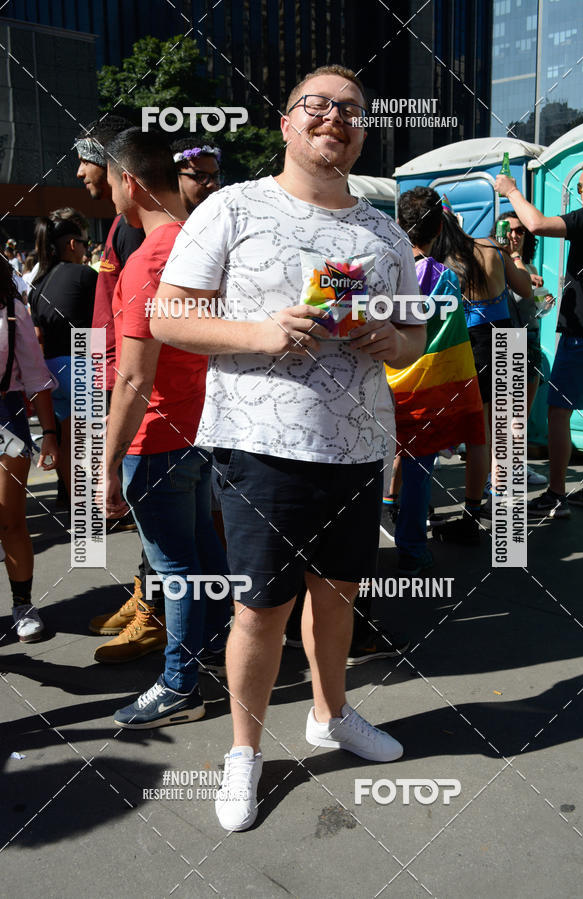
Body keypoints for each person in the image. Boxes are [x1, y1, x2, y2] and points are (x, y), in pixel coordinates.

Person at [152, 64, 426, 831]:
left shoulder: (383, 228)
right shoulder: (234, 208)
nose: (334, 118)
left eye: (350, 110)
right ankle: (245, 751)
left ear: (362, 130)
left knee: (338, 595)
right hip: (259, 447)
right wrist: (260, 333)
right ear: (285, 122)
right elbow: (169, 313)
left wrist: (388, 337)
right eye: (318, 105)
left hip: (356, 446)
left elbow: (415, 332)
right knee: (260, 609)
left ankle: (330, 715)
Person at [102, 127, 230, 726]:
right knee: (202, 555)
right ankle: (212, 652)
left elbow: (132, 378)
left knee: (177, 568)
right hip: (203, 429)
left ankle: (180, 686)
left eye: (107, 182)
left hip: (158, 438)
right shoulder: (204, 244)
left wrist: (103, 464)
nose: (108, 195)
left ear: (129, 182)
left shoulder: (147, 260)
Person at [75, 116, 165, 658]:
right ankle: (144, 593)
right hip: (109, 373)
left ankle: (157, 614)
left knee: (156, 514)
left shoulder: (136, 222)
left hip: (139, 386)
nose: (83, 174)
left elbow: (143, 326)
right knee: (147, 516)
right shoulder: (120, 220)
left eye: (88, 162)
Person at [496, 160, 583, 518]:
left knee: (558, 412)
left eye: (582, 186)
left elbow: (537, 222)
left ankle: (556, 494)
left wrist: (511, 190)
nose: (580, 193)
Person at [389, 187, 486, 567]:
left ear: (399, 222)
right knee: (418, 471)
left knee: (367, 470)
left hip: (382, 385)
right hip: (427, 392)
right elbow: (451, 339)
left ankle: (357, 559)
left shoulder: (387, 270)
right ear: (439, 227)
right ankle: (412, 550)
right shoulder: (445, 278)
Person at [430, 204, 531, 540]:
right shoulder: (492, 247)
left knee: (479, 431)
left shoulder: (446, 260)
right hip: (509, 335)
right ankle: (505, 506)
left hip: (475, 341)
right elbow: (526, 289)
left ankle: (473, 514)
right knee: (508, 426)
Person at [0, 255, 59, 641]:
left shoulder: (11, 309)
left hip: (6, 417)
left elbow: (36, 376)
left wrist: (50, 433)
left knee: (10, 519)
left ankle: (22, 603)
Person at [28, 208, 97, 498]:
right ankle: (99, 508)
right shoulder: (84, 275)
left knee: (69, 442)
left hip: (51, 368)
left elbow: (38, 334)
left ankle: (77, 505)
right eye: (83, 243)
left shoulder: (38, 283)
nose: (85, 249)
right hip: (81, 362)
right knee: (91, 445)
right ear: (72, 244)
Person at [491, 213, 553, 487]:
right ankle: (496, 474)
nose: (515, 235)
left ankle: (516, 467)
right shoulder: (496, 261)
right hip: (508, 341)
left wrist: (544, 296)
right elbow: (517, 293)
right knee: (505, 415)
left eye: (521, 231)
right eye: (509, 230)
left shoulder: (525, 264)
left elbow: (532, 303)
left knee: (520, 417)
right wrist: (521, 267)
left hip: (530, 341)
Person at [170, 139, 222, 214]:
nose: (212, 185)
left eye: (216, 176)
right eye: (201, 177)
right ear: (174, 178)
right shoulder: (156, 222)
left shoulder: (225, 221)